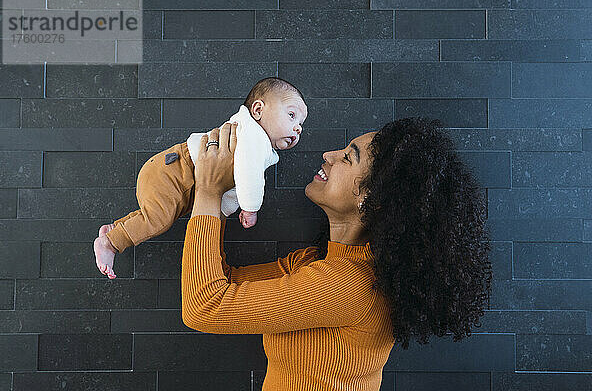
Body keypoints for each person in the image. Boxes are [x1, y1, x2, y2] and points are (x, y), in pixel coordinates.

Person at [182, 118, 493, 390]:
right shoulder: (316, 263)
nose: (328, 156)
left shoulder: (348, 285)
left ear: (371, 199)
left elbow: (204, 308)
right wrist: (227, 193)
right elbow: (222, 282)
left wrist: (209, 191)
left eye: (348, 157)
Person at [93, 77, 308, 279]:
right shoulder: (255, 136)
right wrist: (250, 208)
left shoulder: (253, 138)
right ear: (258, 110)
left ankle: (115, 229)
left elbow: (228, 185)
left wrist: (223, 212)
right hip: (175, 171)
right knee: (158, 220)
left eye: (301, 125)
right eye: (292, 115)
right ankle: (111, 243)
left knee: (153, 215)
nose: (298, 128)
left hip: (173, 171)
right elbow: (248, 173)